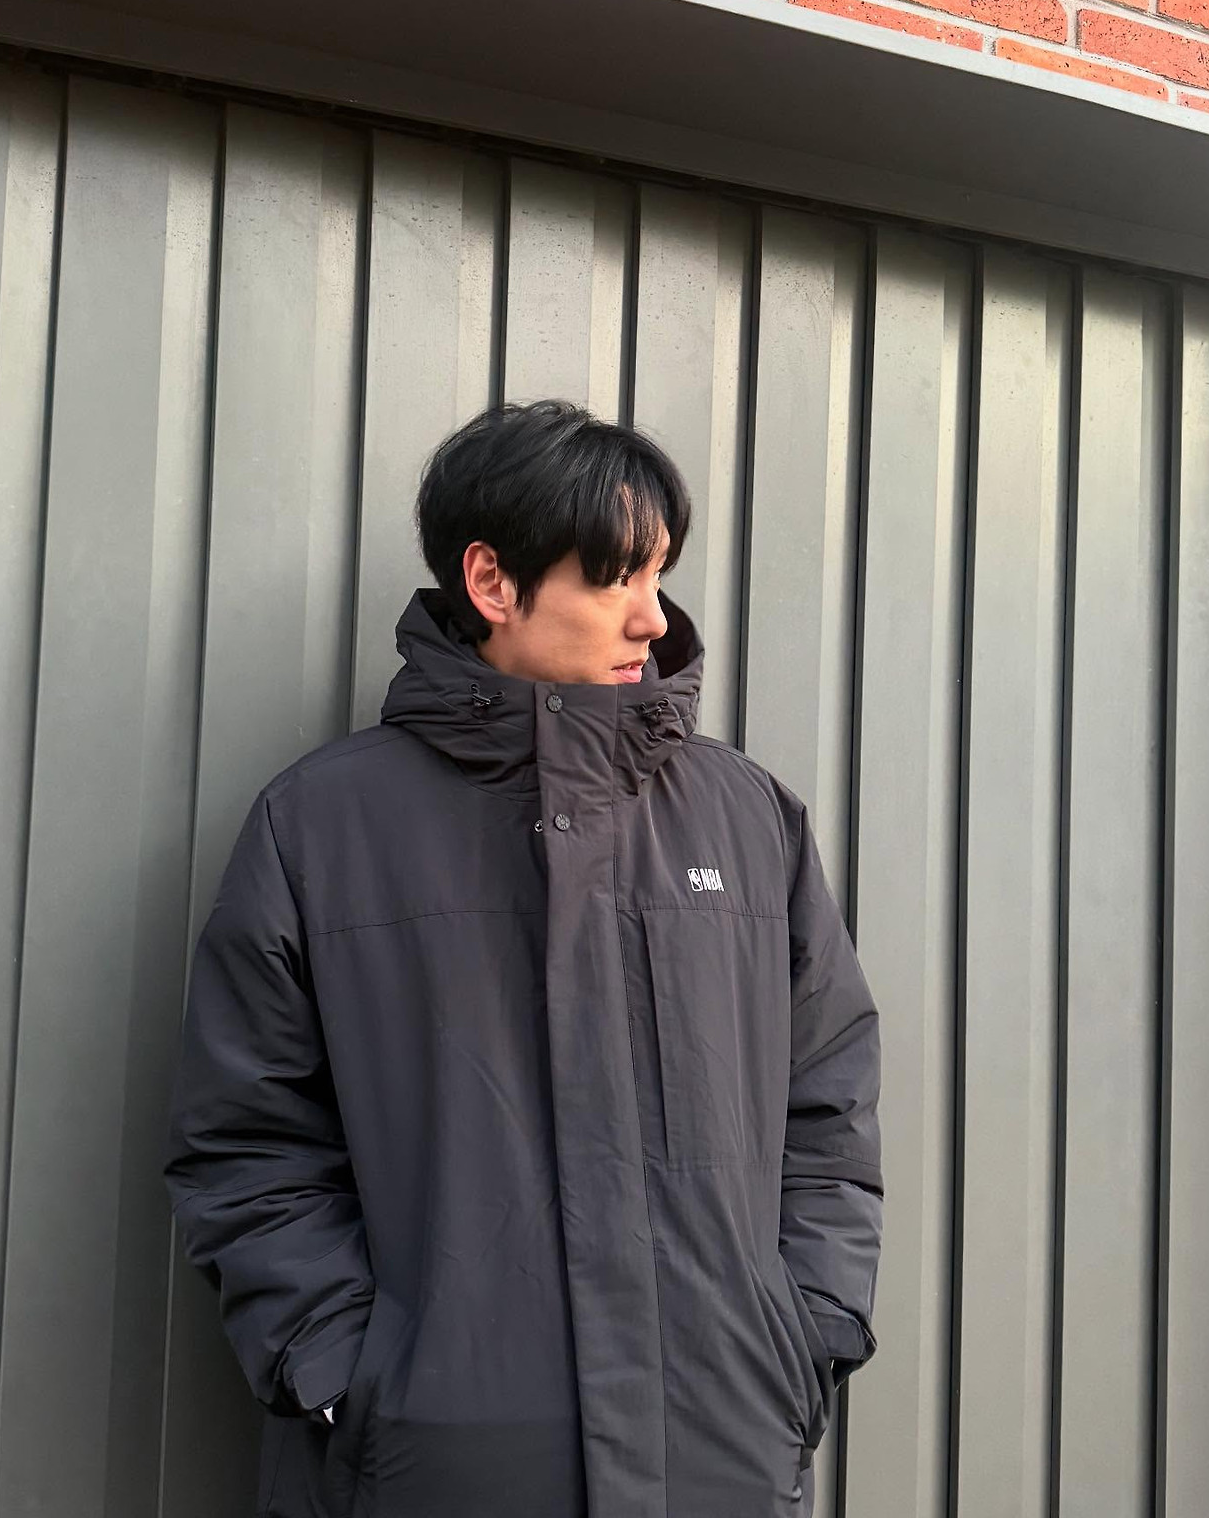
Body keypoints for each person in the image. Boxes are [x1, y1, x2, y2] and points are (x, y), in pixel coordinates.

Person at [164, 399, 883, 1518]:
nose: (653, 616)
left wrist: (803, 1340)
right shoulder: (323, 829)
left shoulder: (749, 820)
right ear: (492, 582)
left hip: (719, 1460)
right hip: (429, 1476)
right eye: (615, 578)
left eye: (660, 573)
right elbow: (247, 1141)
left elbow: (827, 1110)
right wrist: (348, 1378)